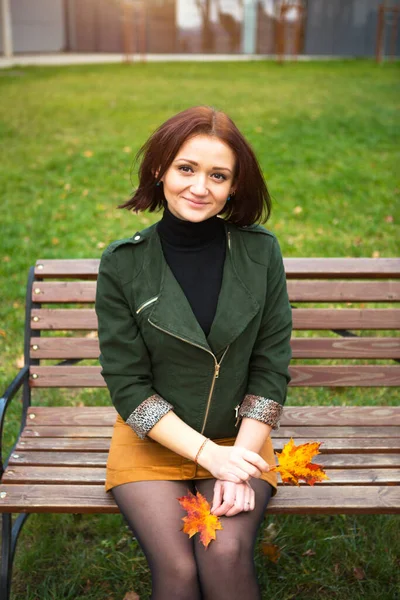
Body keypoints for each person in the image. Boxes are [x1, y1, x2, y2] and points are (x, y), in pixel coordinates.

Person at [95, 105, 292, 600]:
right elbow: (129, 387)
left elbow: (270, 368)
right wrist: (211, 458)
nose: (200, 187)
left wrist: (240, 460)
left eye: (218, 175)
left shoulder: (260, 252)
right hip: (151, 441)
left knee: (224, 556)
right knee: (179, 572)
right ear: (161, 168)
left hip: (240, 436)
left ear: (233, 186)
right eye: (187, 168)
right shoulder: (123, 265)